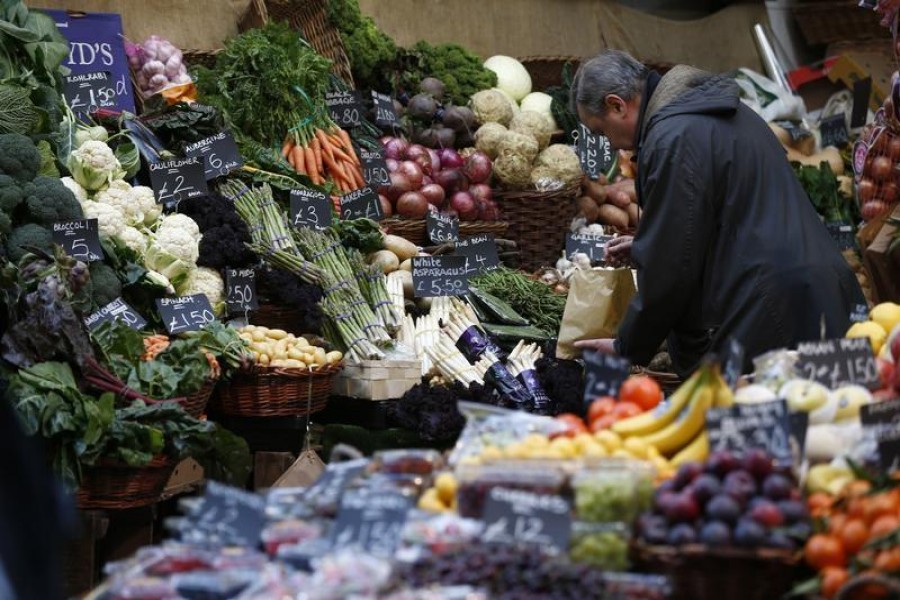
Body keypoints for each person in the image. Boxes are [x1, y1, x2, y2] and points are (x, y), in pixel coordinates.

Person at [570, 49, 866, 376]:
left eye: (600, 131)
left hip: (773, 309)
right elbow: (723, 215)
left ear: (617, 105)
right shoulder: (714, 111)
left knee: (788, 421)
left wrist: (628, 346)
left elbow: (672, 265)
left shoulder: (672, 138)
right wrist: (648, 245)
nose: (609, 145)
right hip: (816, 289)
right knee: (835, 417)